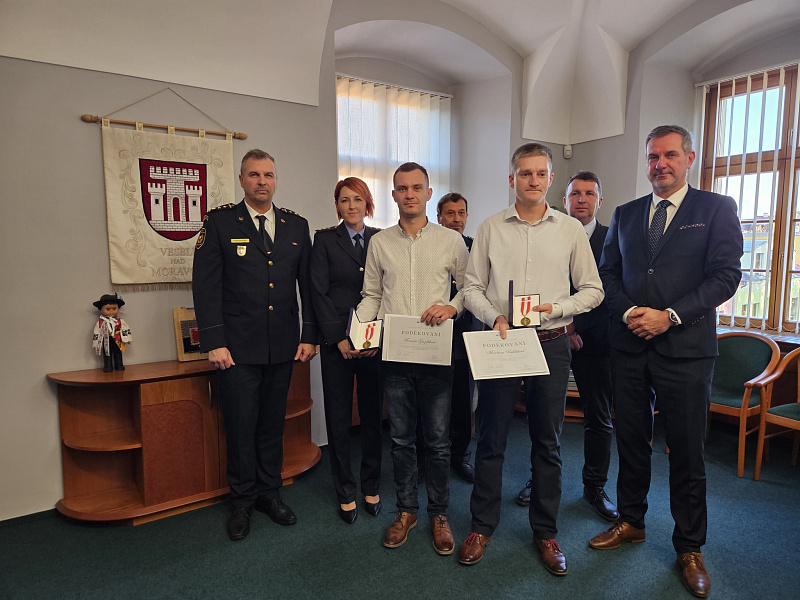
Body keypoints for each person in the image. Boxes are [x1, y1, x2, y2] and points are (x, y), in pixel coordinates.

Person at [590, 125, 742, 599]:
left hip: (687, 350)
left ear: (689, 158)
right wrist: (629, 313)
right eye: (653, 156)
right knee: (632, 442)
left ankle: (689, 547)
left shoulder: (716, 208)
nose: (661, 164)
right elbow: (607, 274)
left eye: (670, 155)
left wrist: (669, 316)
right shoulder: (626, 213)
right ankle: (631, 521)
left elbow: (726, 276)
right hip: (630, 346)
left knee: (687, 451)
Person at [458, 143, 603, 576]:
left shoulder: (570, 230)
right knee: (491, 438)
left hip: (551, 342)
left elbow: (593, 290)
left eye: (541, 173)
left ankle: (546, 532)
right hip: (503, 341)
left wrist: (557, 310)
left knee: (547, 441)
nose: (533, 180)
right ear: (512, 178)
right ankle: (482, 526)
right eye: (525, 173)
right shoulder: (490, 228)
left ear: (550, 179)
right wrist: (495, 316)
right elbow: (471, 288)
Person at [192, 148, 317, 541]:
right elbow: (205, 286)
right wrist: (214, 341)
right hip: (236, 349)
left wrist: (309, 334)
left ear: (276, 180)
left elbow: (307, 286)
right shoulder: (219, 222)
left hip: (282, 346)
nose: (262, 181)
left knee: (271, 425)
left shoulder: (296, 225)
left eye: (268, 175)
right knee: (241, 426)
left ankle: (269, 493)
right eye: (254, 175)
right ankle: (242, 500)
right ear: (242, 180)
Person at [355, 162, 469, 556]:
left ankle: (439, 514)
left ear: (428, 193)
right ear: (393, 195)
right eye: (402, 188)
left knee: (437, 441)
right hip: (396, 354)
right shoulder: (380, 242)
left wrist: (451, 307)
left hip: (436, 353)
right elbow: (372, 295)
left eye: (416, 188)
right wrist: (360, 331)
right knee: (401, 439)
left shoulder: (451, 241)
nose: (409, 194)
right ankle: (407, 511)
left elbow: (469, 288)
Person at [515, 171, 618, 521]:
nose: (582, 199)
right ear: (565, 199)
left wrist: (574, 325)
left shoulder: (611, 238)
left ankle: (595, 487)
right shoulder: (547, 231)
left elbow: (609, 292)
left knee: (598, 418)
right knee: (543, 417)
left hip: (595, 342)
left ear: (600, 201)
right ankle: (539, 481)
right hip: (548, 338)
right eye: (575, 194)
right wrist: (561, 328)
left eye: (589, 193)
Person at [311, 177, 383, 524]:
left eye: (357, 199)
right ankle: (345, 490)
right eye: (344, 200)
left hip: (372, 343)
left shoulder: (382, 239)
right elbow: (318, 292)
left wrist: (373, 337)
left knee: (372, 417)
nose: (351, 206)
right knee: (339, 418)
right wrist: (337, 336)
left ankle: (371, 485)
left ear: (367, 203)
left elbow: (388, 289)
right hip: (336, 343)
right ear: (337, 205)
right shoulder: (324, 240)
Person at [416, 193, 478, 484]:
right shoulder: (430, 245)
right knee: (427, 400)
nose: (456, 219)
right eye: (450, 213)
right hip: (432, 333)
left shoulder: (476, 248)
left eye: (461, 213)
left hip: (465, 334)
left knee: (463, 401)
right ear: (439, 217)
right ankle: (424, 458)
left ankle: (460, 456)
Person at [92, 293, 132, 372]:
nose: (111, 311)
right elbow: (97, 331)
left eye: (114, 308)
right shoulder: (101, 322)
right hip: (106, 340)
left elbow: (125, 329)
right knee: (107, 353)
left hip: (117, 339)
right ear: (101, 310)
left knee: (118, 352)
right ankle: (108, 366)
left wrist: (128, 339)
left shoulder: (119, 321)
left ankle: (119, 365)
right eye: (108, 309)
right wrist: (96, 342)